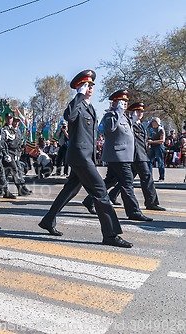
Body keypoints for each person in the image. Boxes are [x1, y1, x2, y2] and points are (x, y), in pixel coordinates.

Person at [38, 69, 132, 248]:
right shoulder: (78, 104)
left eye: (91, 85)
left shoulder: (89, 107)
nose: (89, 88)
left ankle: (48, 220)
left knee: (70, 190)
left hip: (85, 156)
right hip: (80, 157)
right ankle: (110, 234)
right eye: (85, 85)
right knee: (101, 193)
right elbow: (69, 116)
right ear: (79, 88)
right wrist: (79, 96)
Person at [82, 90, 152, 221]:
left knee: (109, 181)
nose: (124, 104)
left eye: (125, 102)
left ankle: (89, 200)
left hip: (125, 156)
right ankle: (133, 212)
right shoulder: (110, 115)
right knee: (127, 184)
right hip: (117, 156)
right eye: (121, 101)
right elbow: (110, 128)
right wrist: (119, 110)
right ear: (114, 102)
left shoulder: (125, 117)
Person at [107, 102, 165, 211]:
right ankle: (151, 202)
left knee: (128, 181)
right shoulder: (130, 123)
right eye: (137, 111)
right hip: (134, 155)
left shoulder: (140, 125)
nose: (140, 113)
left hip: (140, 155)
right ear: (133, 112)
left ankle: (112, 195)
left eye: (141, 112)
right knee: (144, 178)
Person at [147, 117, 165, 181]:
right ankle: (149, 176)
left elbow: (162, 140)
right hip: (152, 146)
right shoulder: (152, 129)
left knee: (160, 162)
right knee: (149, 161)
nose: (153, 123)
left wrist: (152, 142)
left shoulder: (160, 129)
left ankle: (161, 177)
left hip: (159, 147)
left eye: (154, 122)